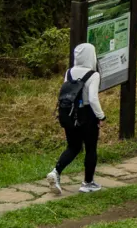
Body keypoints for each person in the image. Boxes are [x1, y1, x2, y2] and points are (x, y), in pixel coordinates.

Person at [47, 43, 105, 194]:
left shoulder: (69, 72)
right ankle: (88, 182)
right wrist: (101, 115)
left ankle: (56, 172)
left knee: (73, 147)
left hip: (70, 114)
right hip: (88, 115)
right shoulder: (94, 75)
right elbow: (92, 98)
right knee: (91, 148)